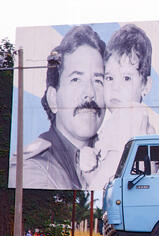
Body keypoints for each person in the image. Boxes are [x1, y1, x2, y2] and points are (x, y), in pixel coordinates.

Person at [9, 25, 106, 190]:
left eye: (98, 80)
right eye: (76, 79)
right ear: (53, 99)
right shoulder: (31, 168)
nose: (90, 93)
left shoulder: (109, 154)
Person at [83, 24, 156, 188]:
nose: (115, 87)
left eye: (127, 78)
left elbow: (104, 183)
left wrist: (88, 170)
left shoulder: (130, 115)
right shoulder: (127, 120)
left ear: (146, 85)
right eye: (109, 78)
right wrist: (90, 169)